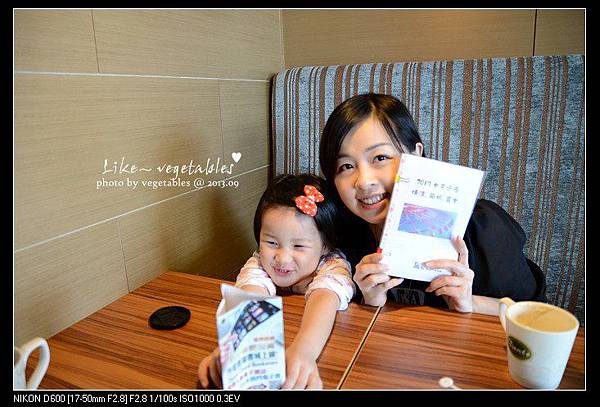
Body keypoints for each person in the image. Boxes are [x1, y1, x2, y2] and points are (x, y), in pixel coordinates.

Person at [319, 93, 546, 315]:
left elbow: (539, 315)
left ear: (415, 154)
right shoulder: (337, 236)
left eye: (380, 158)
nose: (363, 181)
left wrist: (471, 304)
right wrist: (371, 302)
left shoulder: (482, 229)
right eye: (346, 166)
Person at [198, 174, 355, 389]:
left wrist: (304, 351)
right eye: (272, 242)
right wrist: (237, 346)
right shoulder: (259, 262)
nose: (282, 258)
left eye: (298, 246)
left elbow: (324, 298)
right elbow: (251, 294)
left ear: (325, 246)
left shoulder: (332, 264)